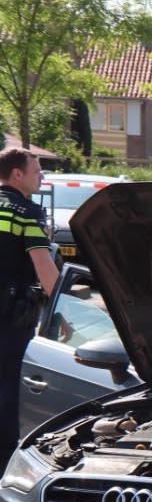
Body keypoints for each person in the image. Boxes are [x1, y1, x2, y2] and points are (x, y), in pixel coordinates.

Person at [0, 148, 59, 457]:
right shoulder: (27, 212)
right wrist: (60, 307)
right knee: (7, 388)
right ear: (17, 174)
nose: (42, 177)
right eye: (37, 171)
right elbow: (43, 265)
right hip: (9, 317)